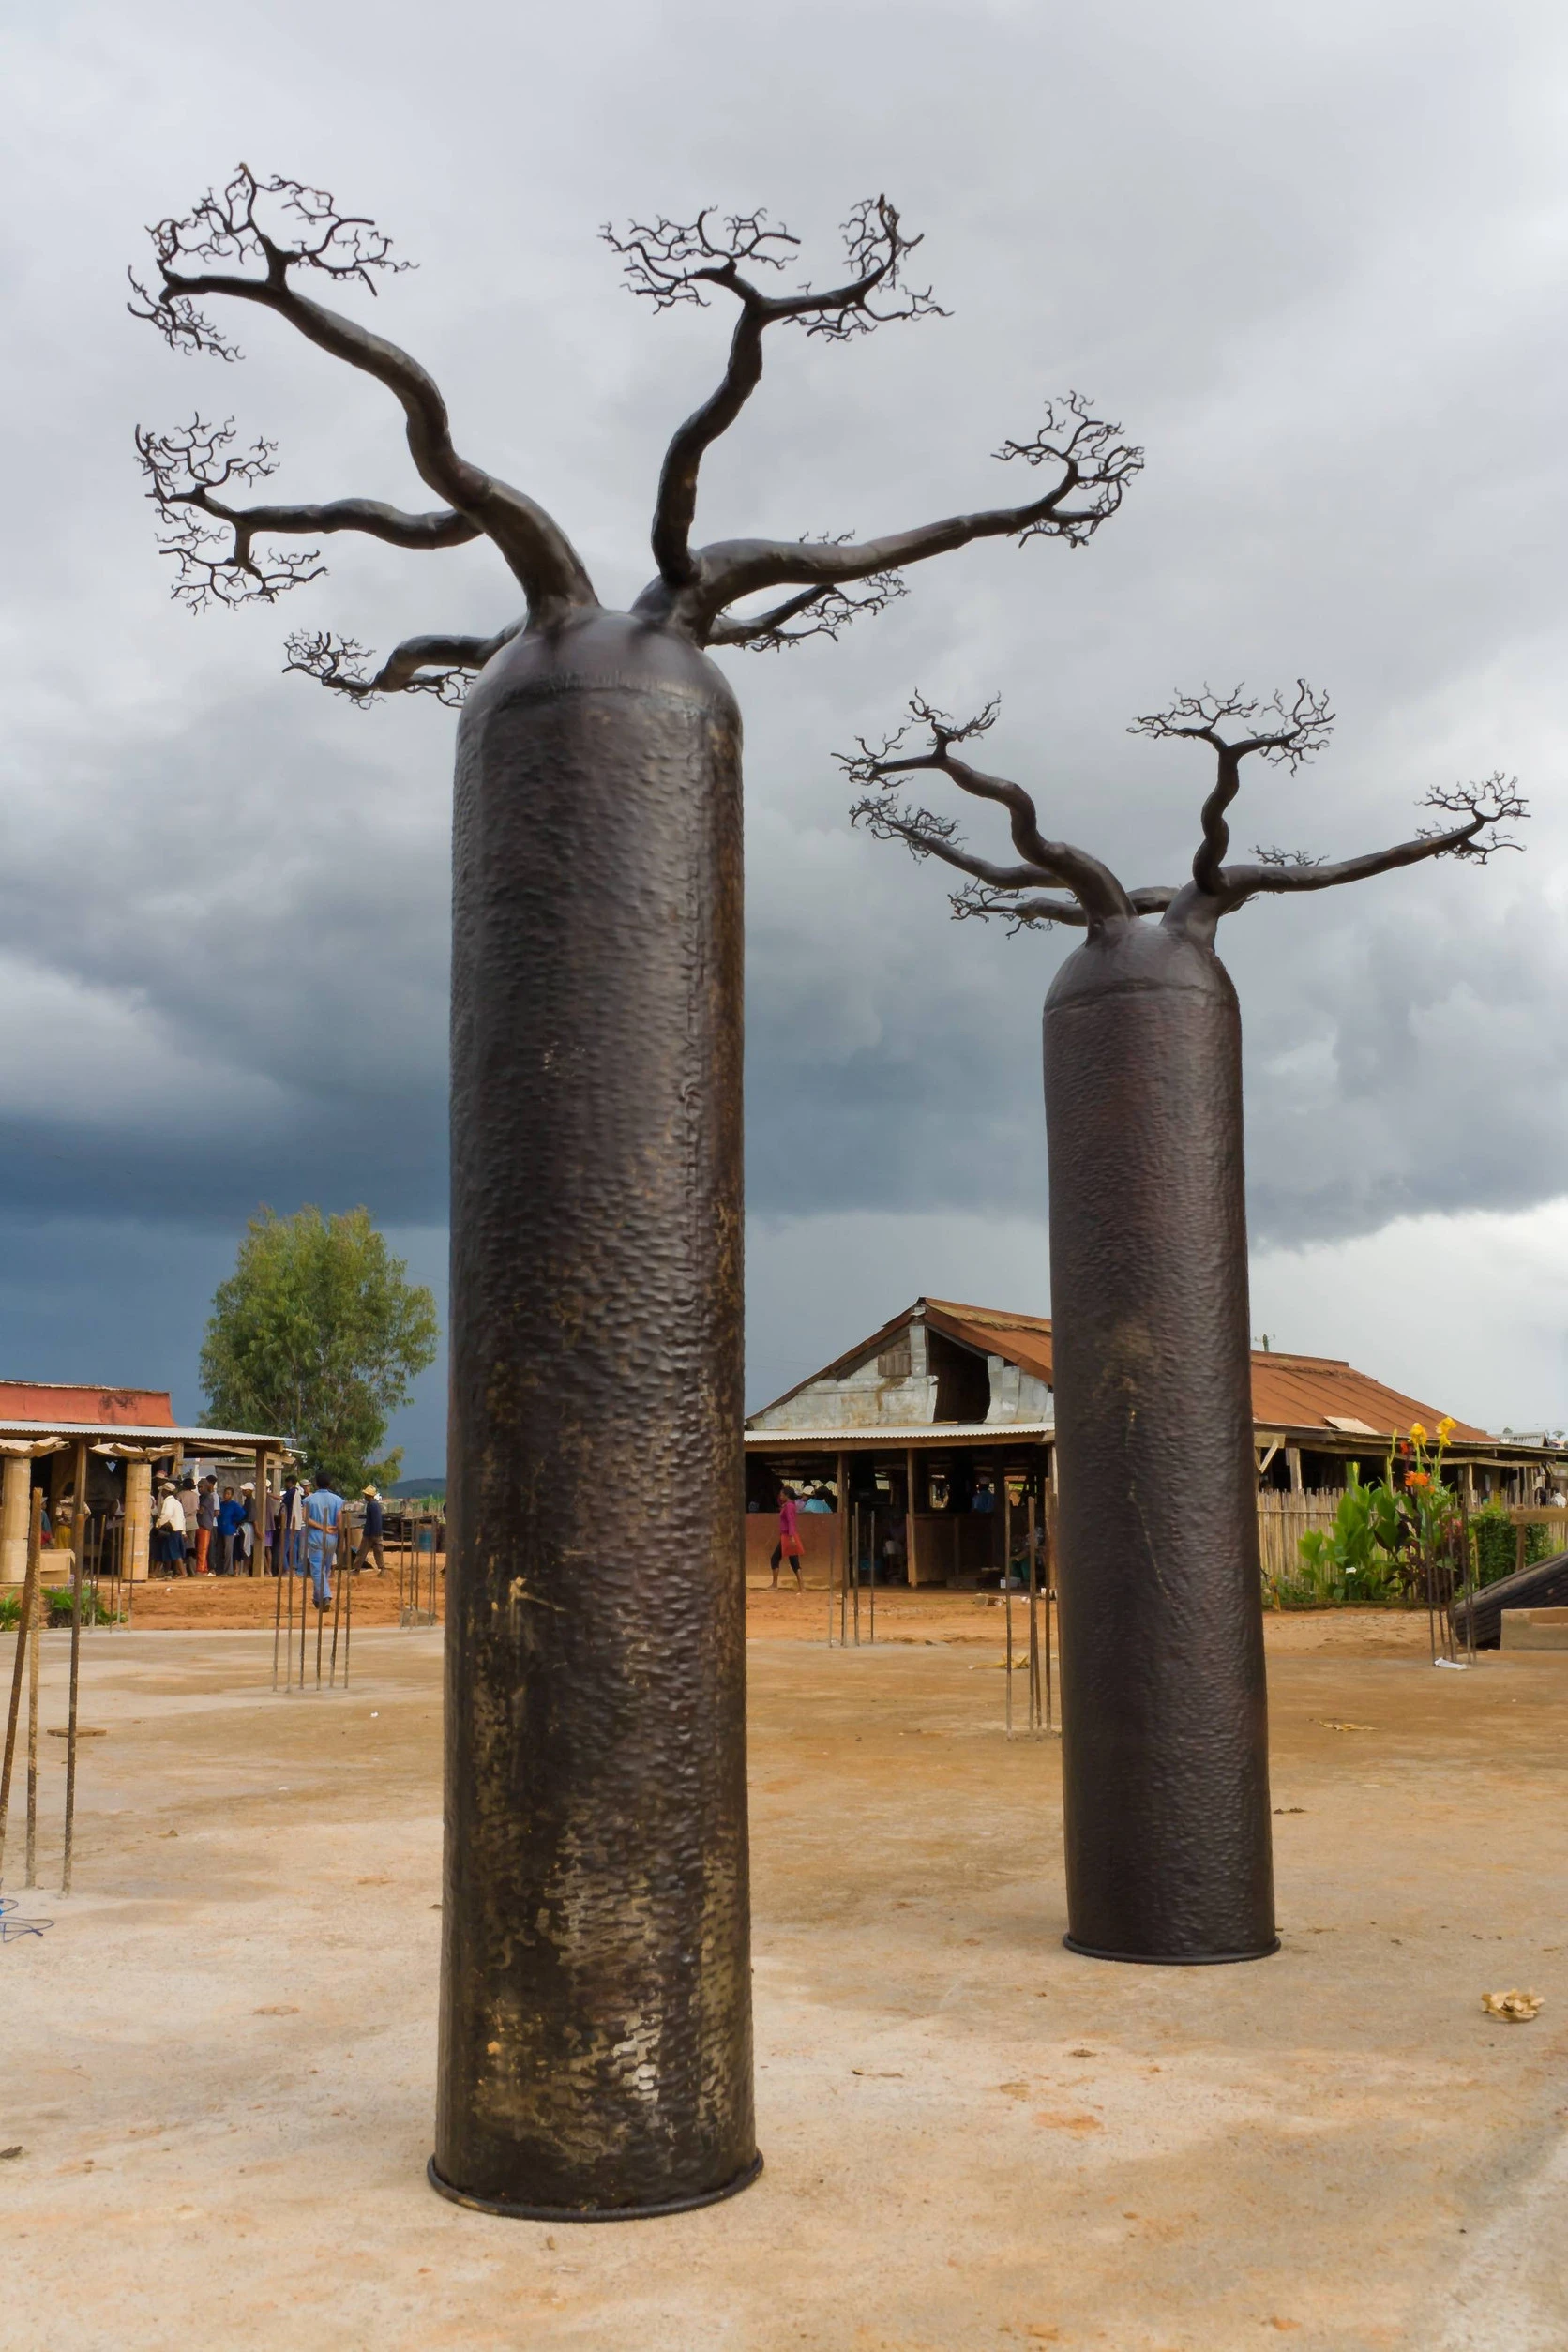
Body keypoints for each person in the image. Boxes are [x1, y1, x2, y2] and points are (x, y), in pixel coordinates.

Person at [301, 1470, 343, 1610]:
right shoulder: (337, 1500)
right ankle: (317, 1599)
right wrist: (339, 1535)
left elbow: (305, 1518)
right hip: (332, 1538)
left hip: (315, 1537)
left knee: (317, 1570)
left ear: (316, 1484)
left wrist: (321, 1527)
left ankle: (326, 1596)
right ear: (329, 1484)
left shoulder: (309, 1500)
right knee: (324, 1569)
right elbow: (339, 1520)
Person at [770, 1486, 803, 1590]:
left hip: (788, 1536)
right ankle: (802, 1586)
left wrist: (792, 1536)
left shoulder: (788, 1506)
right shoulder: (790, 1505)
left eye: (782, 1494)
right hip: (789, 1535)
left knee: (775, 1558)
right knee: (794, 1561)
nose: (780, 1496)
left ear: (787, 1495)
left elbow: (790, 1522)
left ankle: (775, 1585)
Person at [154, 1480, 188, 1576]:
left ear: (166, 1491)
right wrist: (183, 1531)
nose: (162, 1493)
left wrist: (158, 1524)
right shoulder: (177, 1502)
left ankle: (183, 1573)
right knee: (163, 1551)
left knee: (175, 1552)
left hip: (171, 1530)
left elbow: (167, 1515)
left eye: (163, 1491)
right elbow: (182, 1518)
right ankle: (155, 1572)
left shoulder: (168, 1502)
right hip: (178, 1529)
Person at [215, 1485, 245, 1576]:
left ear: (231, 1495)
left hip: (229, 1530)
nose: (226, 1495)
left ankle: (228, 1571)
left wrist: (233, 1520)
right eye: (225, 1493)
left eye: (228, 1494)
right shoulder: (221, 1504)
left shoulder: (234, 1505)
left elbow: (242, 1514)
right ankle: (219, 1570)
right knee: (219, 1551)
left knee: (228, 1551)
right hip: (220, 1529)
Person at [356, 1485, 386, 1574]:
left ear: (369, 1495)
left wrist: (370, 1533)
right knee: (378, 1552)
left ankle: (357, 1569)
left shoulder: (371, 1505)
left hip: (370, 1533)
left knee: (362, 1551)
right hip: (377, 1532)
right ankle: (382, 1569)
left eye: (365, 1494)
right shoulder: (375, 1505)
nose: (364, 1496)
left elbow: (374, 1520)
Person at [195, 1474, 218, 1575]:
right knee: (200, 1548)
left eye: (201, 1487)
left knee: (202, 1548)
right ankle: (203, 1567)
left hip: (205, 1525)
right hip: (200, 1524)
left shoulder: (208, 1497)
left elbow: (200, 1511)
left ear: (206, 1487)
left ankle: (201, 1569)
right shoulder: (201, 1497)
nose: (199, 1489)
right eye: (198, 1487)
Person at [179, 1475, 200, 1572]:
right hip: (193, 1522)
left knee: (180, 1545)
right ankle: (192, 1570)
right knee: (191, 1546)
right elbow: (197, 1508)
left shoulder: (180, 1495)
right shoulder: (195, 1496)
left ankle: (181, 1569)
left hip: (182, 1522)